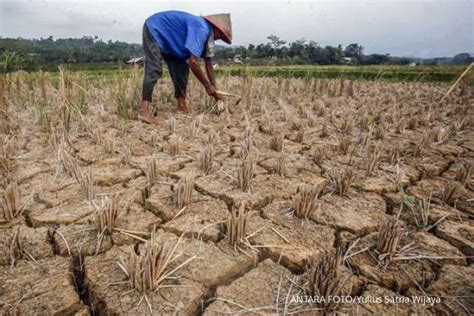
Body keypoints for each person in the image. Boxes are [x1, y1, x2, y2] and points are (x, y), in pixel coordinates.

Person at [139, 11, 232, 124]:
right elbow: (193, 62)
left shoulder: (207, 37)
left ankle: (181, 105)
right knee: (154, 69)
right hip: (155, 29)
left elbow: (208, 64)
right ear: (216, 29)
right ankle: (144, 110)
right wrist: (207, 86)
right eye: (220, 36)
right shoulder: (202, 29)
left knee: (182, 70)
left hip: (174, 44)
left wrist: (215, 91)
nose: (218, 40)